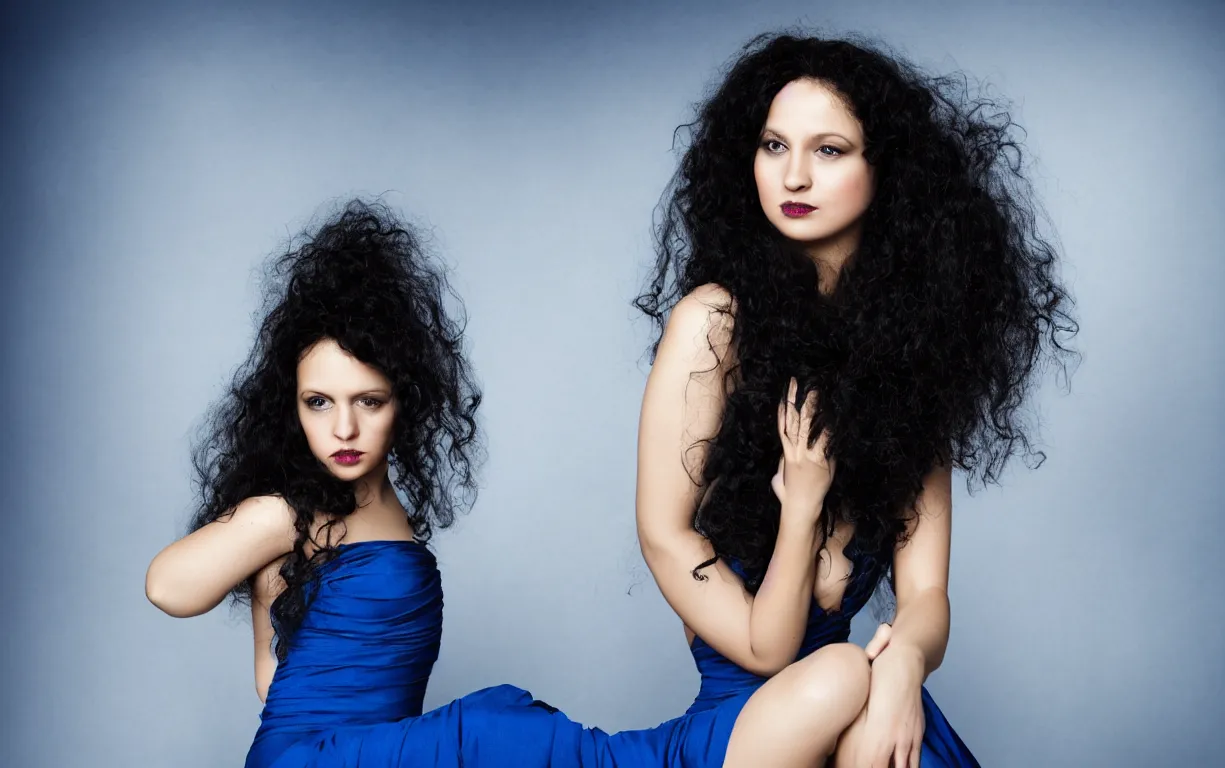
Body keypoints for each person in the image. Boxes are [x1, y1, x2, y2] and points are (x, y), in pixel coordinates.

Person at [441, 31, 1076, 768]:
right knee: (849, 685)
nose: (794, 176)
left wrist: (903, 667)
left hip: (853, 701)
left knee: (878, 714)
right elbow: (666, 537)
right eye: (774, 147)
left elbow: (927, 591)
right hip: (751, 726)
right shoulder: (713, 323)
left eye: (828, 150)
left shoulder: (915, 356)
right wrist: (803, 524)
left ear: (887, 172)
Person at [145, 199, 498, 767]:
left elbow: (272, 678)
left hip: (367, 755)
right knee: (502, 728)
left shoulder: (386, 513)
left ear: (406, 403)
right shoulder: (288, 516)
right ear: (291, 409)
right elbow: (167, 587)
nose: (344, 428)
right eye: (318, 403)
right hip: (309, 757)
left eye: (369, 401)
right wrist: (279, 524)